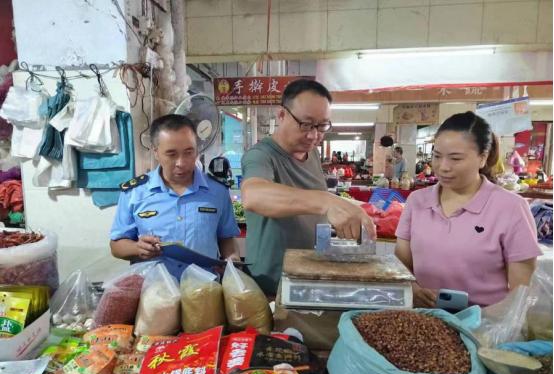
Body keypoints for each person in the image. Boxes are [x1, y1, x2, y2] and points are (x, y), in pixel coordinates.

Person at [241, 79, 376, 295]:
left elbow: (308, 210)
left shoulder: (311, 152)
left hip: (309, 276)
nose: (314, 135)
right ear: (282, 115)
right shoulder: (261, 156)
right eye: (305, 124)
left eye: (322, 126)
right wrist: (326, 201)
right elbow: (253, 195)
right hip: (271, 285)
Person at [395, 111, 541, 307]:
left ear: (483, 158)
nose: (443, 167)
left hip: (483, 327)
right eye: (437, 156)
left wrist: (490, 329)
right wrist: (411, 287)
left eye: (455, 159)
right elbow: (400, 264)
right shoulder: (417, 201)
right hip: (423, 321)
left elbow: (520, 295)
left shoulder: (511, 208)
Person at [110, 114, 240, 278]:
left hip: (204, 292)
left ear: (197, 149)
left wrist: (232, 258)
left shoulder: (218, 192)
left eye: (188, 152)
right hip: (154, 291)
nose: (181, 162)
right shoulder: (135, 192)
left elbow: (226, 238)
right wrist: (137, 248)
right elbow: (116, 245)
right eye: (171, 154)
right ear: (156, 152)